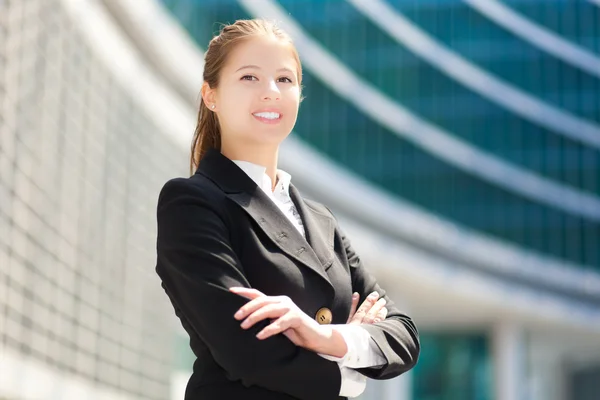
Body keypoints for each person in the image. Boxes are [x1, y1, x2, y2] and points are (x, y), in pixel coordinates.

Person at [155, 19, 420, 400]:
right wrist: (349, 377)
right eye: (249, 77)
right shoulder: (193, 203)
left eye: (284, 79)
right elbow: (245, 351)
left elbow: (404, 333)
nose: (270, 92)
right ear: (210, 95)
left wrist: (328, 337)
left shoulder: (320, 220)